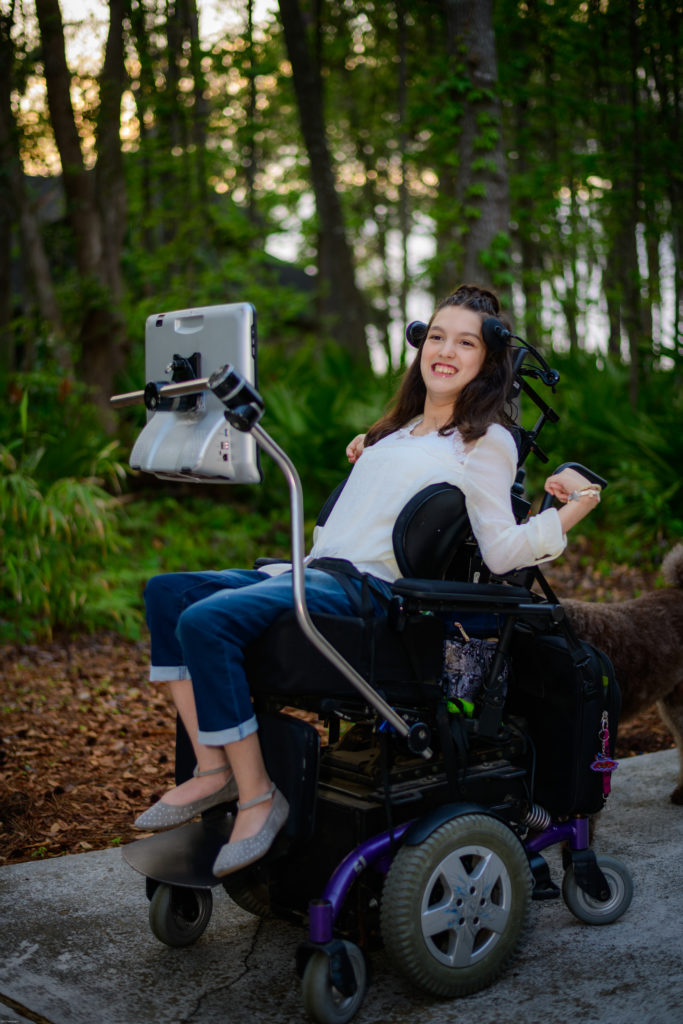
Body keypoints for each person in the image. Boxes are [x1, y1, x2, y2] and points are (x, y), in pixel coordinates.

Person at [134, 283, 601, 878]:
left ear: (488, 362)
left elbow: (504, 553)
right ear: (420, 345)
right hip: (317, 570)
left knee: (207, 619)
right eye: (436, 337)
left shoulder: (488, 441)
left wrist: (576, 504)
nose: (446, 351)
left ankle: (257, 800)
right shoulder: (394, 432)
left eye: (465, 343)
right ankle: (212, 769)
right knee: (167, 593)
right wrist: (374, 449)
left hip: (369, 592)